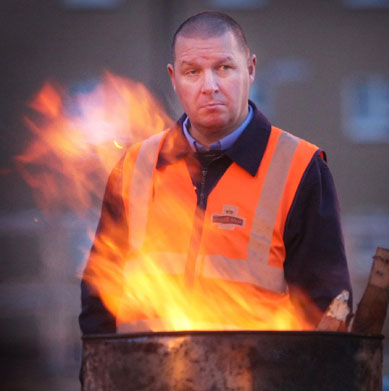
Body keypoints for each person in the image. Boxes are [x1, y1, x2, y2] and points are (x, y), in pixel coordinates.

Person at [79, 11, 352, 335]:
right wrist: (100, 383)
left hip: (257, 383)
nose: (209, 86)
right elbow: (99, 297)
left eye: (224, 68)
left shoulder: (301, 168)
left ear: (250, 69)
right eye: (192, 72)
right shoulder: (134, 167)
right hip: (144, 382)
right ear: (174, 78)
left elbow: (327, 312)